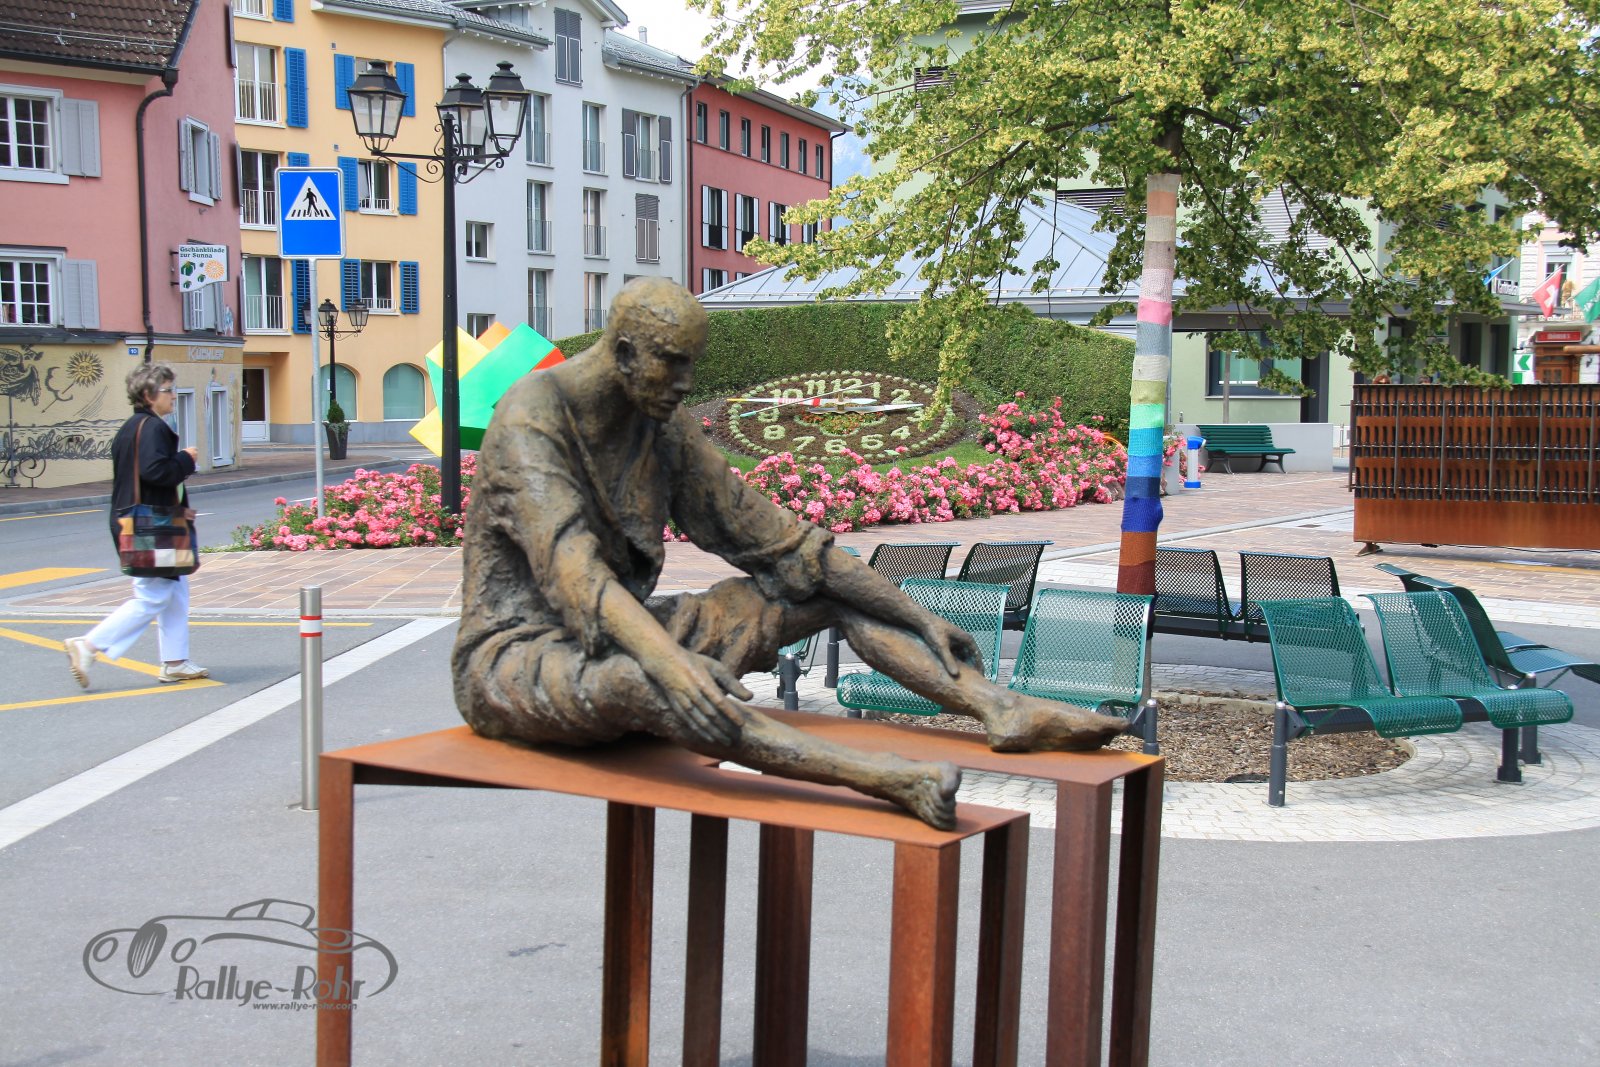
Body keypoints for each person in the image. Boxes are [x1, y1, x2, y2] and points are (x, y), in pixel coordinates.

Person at [452, 278, 1123, 829]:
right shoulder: (531, 418)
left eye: (692, 363)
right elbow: (577, 577)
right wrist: (674, 664)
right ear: (625, 352)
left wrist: (916, 614)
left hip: (632, 631)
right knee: (644, 681)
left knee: (820, 589)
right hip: (519, 657)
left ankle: (998, 707)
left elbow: (777, 540)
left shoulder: (662, 426)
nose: (687, 381)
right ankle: (886, 778)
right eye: (674, 362)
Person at [64, 363, 209, 689]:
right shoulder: (152, 427)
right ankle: (88, 646)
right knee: (154, 596)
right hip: (152, 526)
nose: (173, 396)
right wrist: (185, 459)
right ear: (148, 394)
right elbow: (155, 471)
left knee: (175, 591)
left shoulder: (133, 427)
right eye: (168, 390)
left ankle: (176, 661)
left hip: (139, 521)